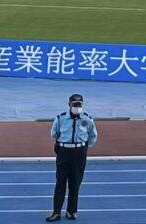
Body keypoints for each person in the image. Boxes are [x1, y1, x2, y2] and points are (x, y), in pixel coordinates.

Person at [46, 93, 98, 221]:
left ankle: (71, 211)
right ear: (69, 105)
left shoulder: (87, 119)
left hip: (79, 153)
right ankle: (56, 212)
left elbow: (92, 136)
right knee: (60, 183)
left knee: (75, 183)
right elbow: (54, 133)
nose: (78, 107)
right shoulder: (61, 118)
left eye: (80, 104)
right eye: (75, 104)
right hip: (64, 152)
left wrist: (83, 147)